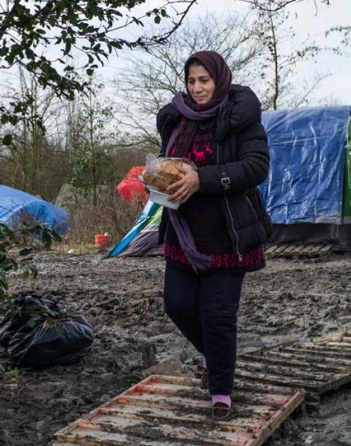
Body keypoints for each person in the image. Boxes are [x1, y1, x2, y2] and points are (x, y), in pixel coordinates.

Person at [155, 51, 271, 421]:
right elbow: (169, 162)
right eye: (191, 80)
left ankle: (220, 390)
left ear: (219, 79)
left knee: (217, 316)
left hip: (227, 234)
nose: (197, 88)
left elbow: (256, 167)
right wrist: (157, 179)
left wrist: (201, 179)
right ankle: (215, 356)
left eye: (204, 80)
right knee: (177, 305)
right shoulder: (177, 119)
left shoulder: (241, 118)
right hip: (183, 234)